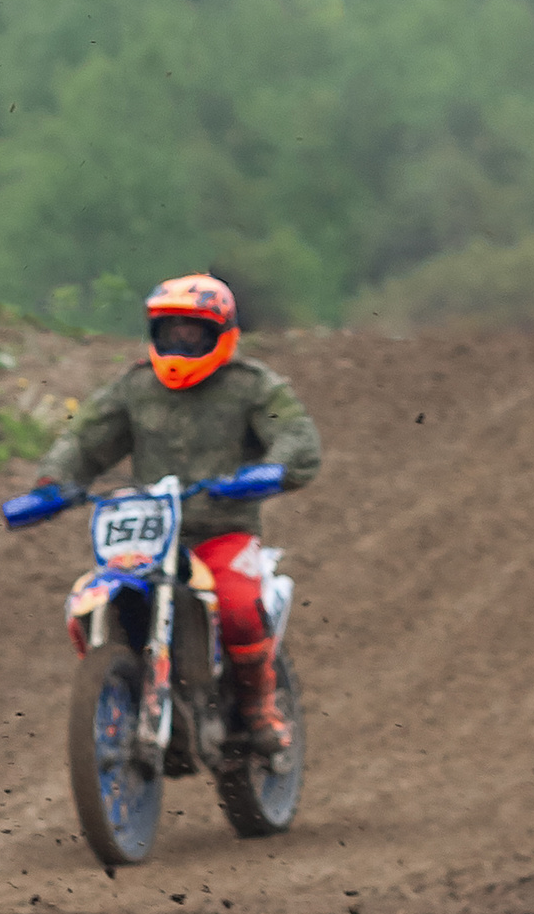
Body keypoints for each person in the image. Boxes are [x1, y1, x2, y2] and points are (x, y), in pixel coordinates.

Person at [31, 274, 323, 752]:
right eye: (171, 331)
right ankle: (116, 688)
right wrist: (52, 482)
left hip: (222, 530)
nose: (181, 342)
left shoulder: (252, 387)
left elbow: (295, 433)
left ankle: (259, 707)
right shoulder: (135, 387)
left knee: (238, 607)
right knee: (91, 598)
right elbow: (84, 440)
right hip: (149, 535)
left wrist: (272, 469)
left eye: (193, 332)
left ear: (220, 334)